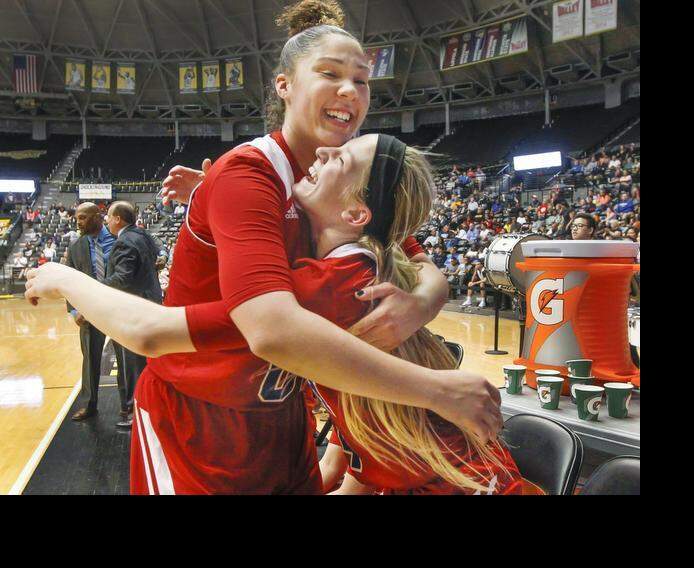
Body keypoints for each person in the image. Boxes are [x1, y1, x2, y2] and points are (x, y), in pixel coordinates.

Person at [94, 0, 498, 494]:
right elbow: (266, 327)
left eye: (363, 79)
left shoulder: (339, 184)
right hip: (200, 418)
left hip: (283, 407)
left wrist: (419, 303)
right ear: (283, 85)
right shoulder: (254, 175)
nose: (350, 89)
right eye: (330, 73)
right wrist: (437, 389)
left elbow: (414, 257)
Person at [27, 133, 529, 495]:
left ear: (356, 215)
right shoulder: (360, 258)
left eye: (343, 159)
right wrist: (216, 192)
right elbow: (358, 435)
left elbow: (148, 332)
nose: (326, 151)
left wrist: (61, 277)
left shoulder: (326, 289)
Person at [103, 201, 163, 430]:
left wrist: (94, 286)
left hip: (133, 310)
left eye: (108, 216)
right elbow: (157, 258)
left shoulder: (124, 241)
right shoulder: (143, 235)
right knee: (147, 362)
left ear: (118, 218)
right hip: (151, 303)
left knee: (132, 364)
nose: (107, 221)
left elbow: (122, 279)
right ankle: (147, 407)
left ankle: (134, 412)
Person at [63, 203, 123, 422]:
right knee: (90, 359)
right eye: (77, 218)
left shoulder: (119, 240)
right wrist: (75, 310)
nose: (78, 222)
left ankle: (127, 405)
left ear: (98, 216)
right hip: (89, 311)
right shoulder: (77, 247)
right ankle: (89, 405)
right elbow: (68, 282)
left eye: (83, 218)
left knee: (125, 358)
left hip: (118, 309)